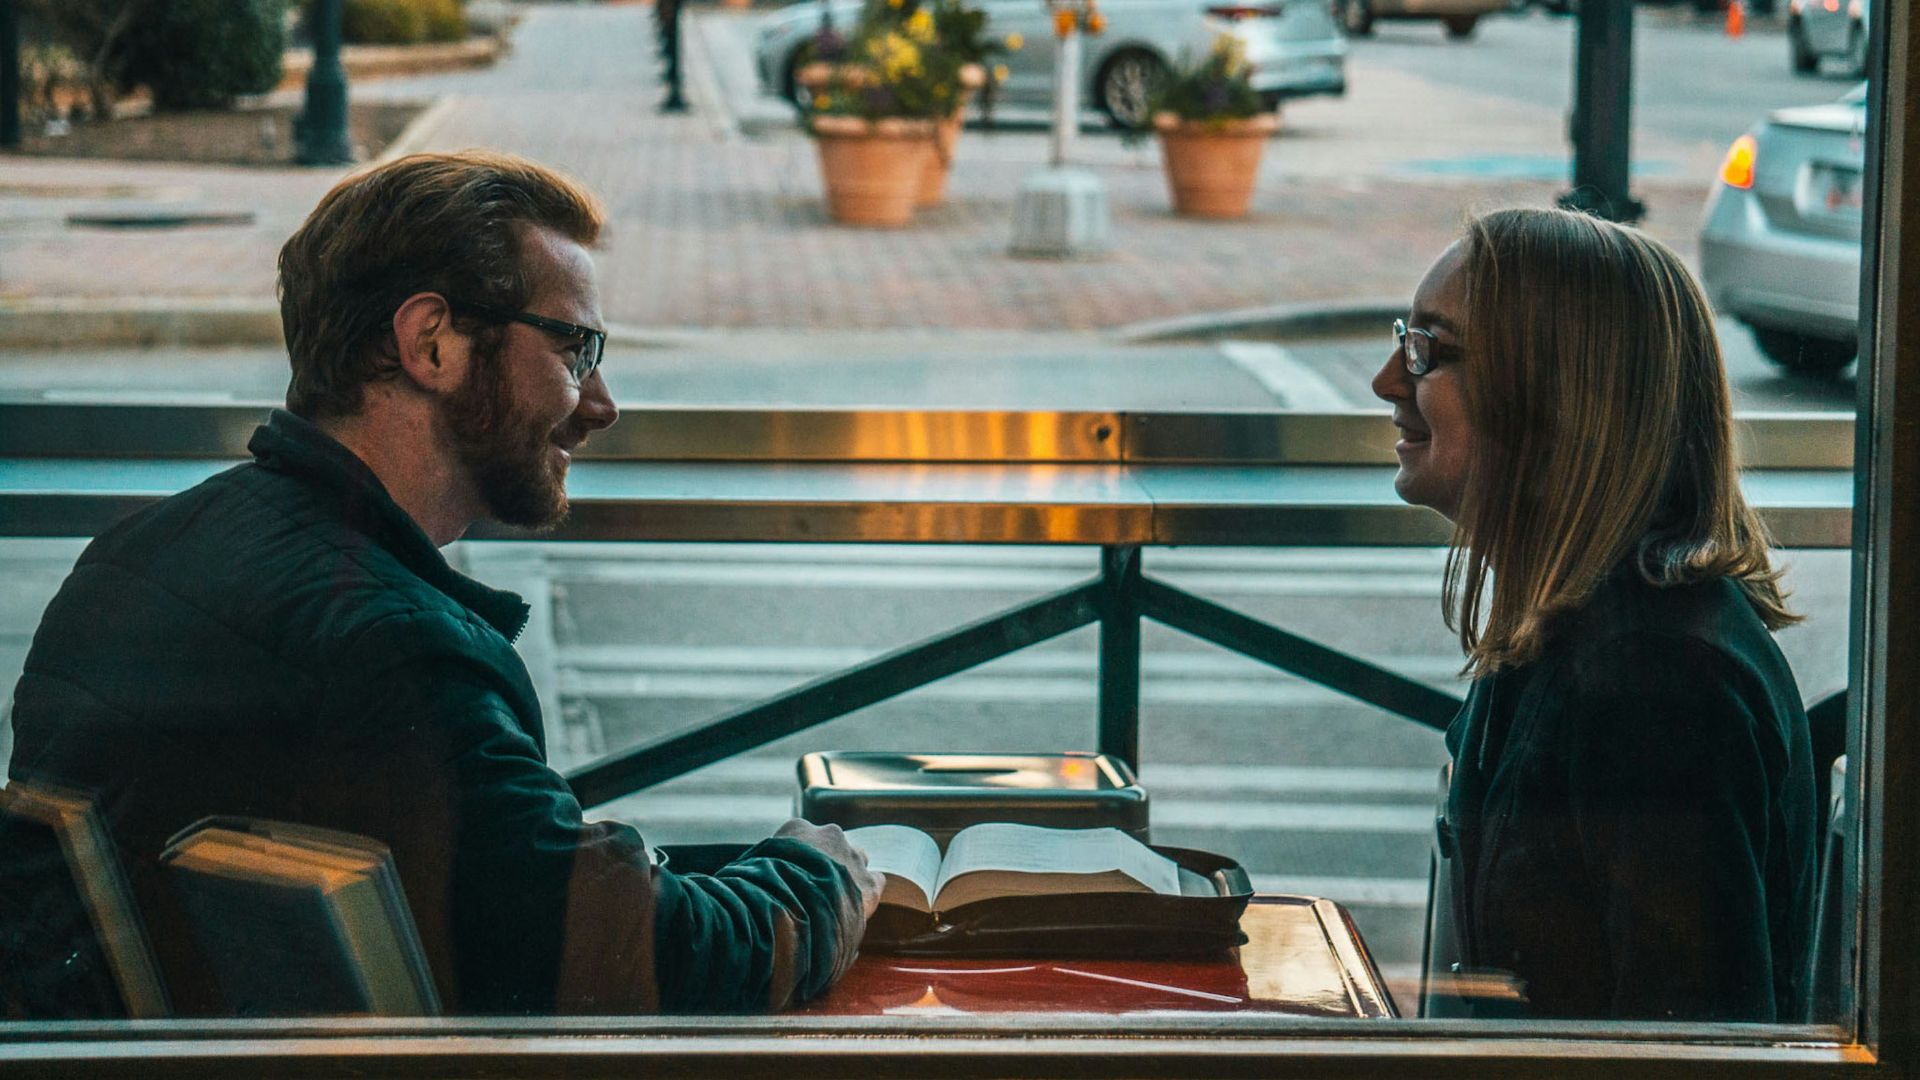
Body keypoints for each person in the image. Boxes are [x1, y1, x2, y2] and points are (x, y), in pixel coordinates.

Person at [6, 150, 883, 1016]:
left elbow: (514, 878)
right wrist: (820, 872)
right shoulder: (392, 653)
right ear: (431, 341)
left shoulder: (132, 558)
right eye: (575, 349)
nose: (601, 402)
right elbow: (642, 959)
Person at [1374, 207, 1817, 1021]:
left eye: (1425, 351)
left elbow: (1689, 1047)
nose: (1389, 382)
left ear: (1553, 393)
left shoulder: (1654, 684)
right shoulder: (1591, 624)